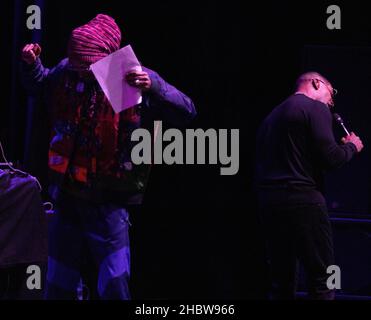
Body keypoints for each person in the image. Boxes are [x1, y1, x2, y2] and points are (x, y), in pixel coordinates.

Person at [20, 14, 196, 300]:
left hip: (109, 201)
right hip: (68, 195)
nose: (78, 68)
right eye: (74, 60)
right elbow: (40, 88)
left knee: (114, 286)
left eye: (85, 63)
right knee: (58, 285)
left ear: (104, 58)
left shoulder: (126, 76)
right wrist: (32, 67)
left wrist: (154, 87)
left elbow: (188, 112)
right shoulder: (68, 71)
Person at [256, 72, 363, 300]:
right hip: (304, 201)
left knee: (281, 282)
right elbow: (331, 159)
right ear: (316, 83)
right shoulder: (316, 108)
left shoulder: (271, 117)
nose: (332, 102)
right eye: (331, 92)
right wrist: (351, 147)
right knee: (325, 277)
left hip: (270, 204)